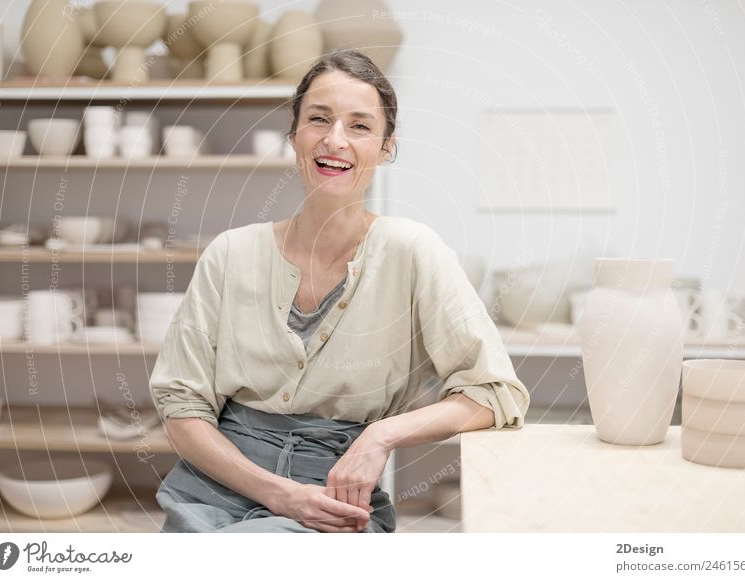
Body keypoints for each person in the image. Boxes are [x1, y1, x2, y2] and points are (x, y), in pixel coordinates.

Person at [149, 49, 530, 533]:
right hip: (212, 488)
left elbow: (495, 394)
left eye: (360, 126)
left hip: (335, 498)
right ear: (294, 135)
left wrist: (379, 436)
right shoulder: (229, 254)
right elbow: (182, 410)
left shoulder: (412, 252)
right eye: (319, 119)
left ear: (387, 146)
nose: (335, 140)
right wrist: (280, 494)